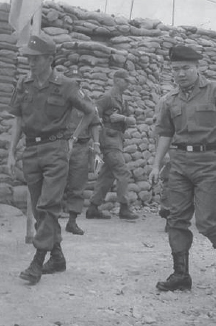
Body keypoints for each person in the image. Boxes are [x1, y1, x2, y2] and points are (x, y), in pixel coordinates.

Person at [7, 34, 96, 284]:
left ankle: (37, 261)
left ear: (49, 58)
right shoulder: (23, 85)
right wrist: (12, 152)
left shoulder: (66, 85)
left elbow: (90, 112)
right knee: (38, 209)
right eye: (28, 58)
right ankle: (57, 257)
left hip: (56, 150)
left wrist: (73, 139)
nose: (30, 62)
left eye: (35, 59)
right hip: (31, 152)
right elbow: (18, 120)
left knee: (48, 206)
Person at [149, 45, 216, 292]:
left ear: (197, 67)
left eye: (185, 68)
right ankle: (181, 274)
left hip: (210, 162)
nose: (180, 74)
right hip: (179, 163)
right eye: (175, 69)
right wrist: (157, 165)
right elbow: (166, 134)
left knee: (206, 221)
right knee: (176, 218)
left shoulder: (215, 91)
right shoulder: (170, 100)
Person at [86, 69, 139, 220]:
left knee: (107, 175)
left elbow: (132, 120)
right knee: (123, 172)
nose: (128, 84)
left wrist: (122, 118)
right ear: (116, 80)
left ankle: (93, 208)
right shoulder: (107, 97)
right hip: (109, 140)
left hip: (117, 139)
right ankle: (124, 207)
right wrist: (99, 134)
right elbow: (94, 114)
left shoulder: (123, 100)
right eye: (125, 80)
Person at [61, 66, 102, 236]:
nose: (76, 84)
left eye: (78, 82)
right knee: (56, 181)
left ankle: (72, 221)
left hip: (81, 146)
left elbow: (94, 122)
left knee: (77, 184)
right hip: (61, 144)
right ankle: (49, 220)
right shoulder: (60, 98)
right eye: (73, 81)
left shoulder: (87, 100)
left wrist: (97, 144)